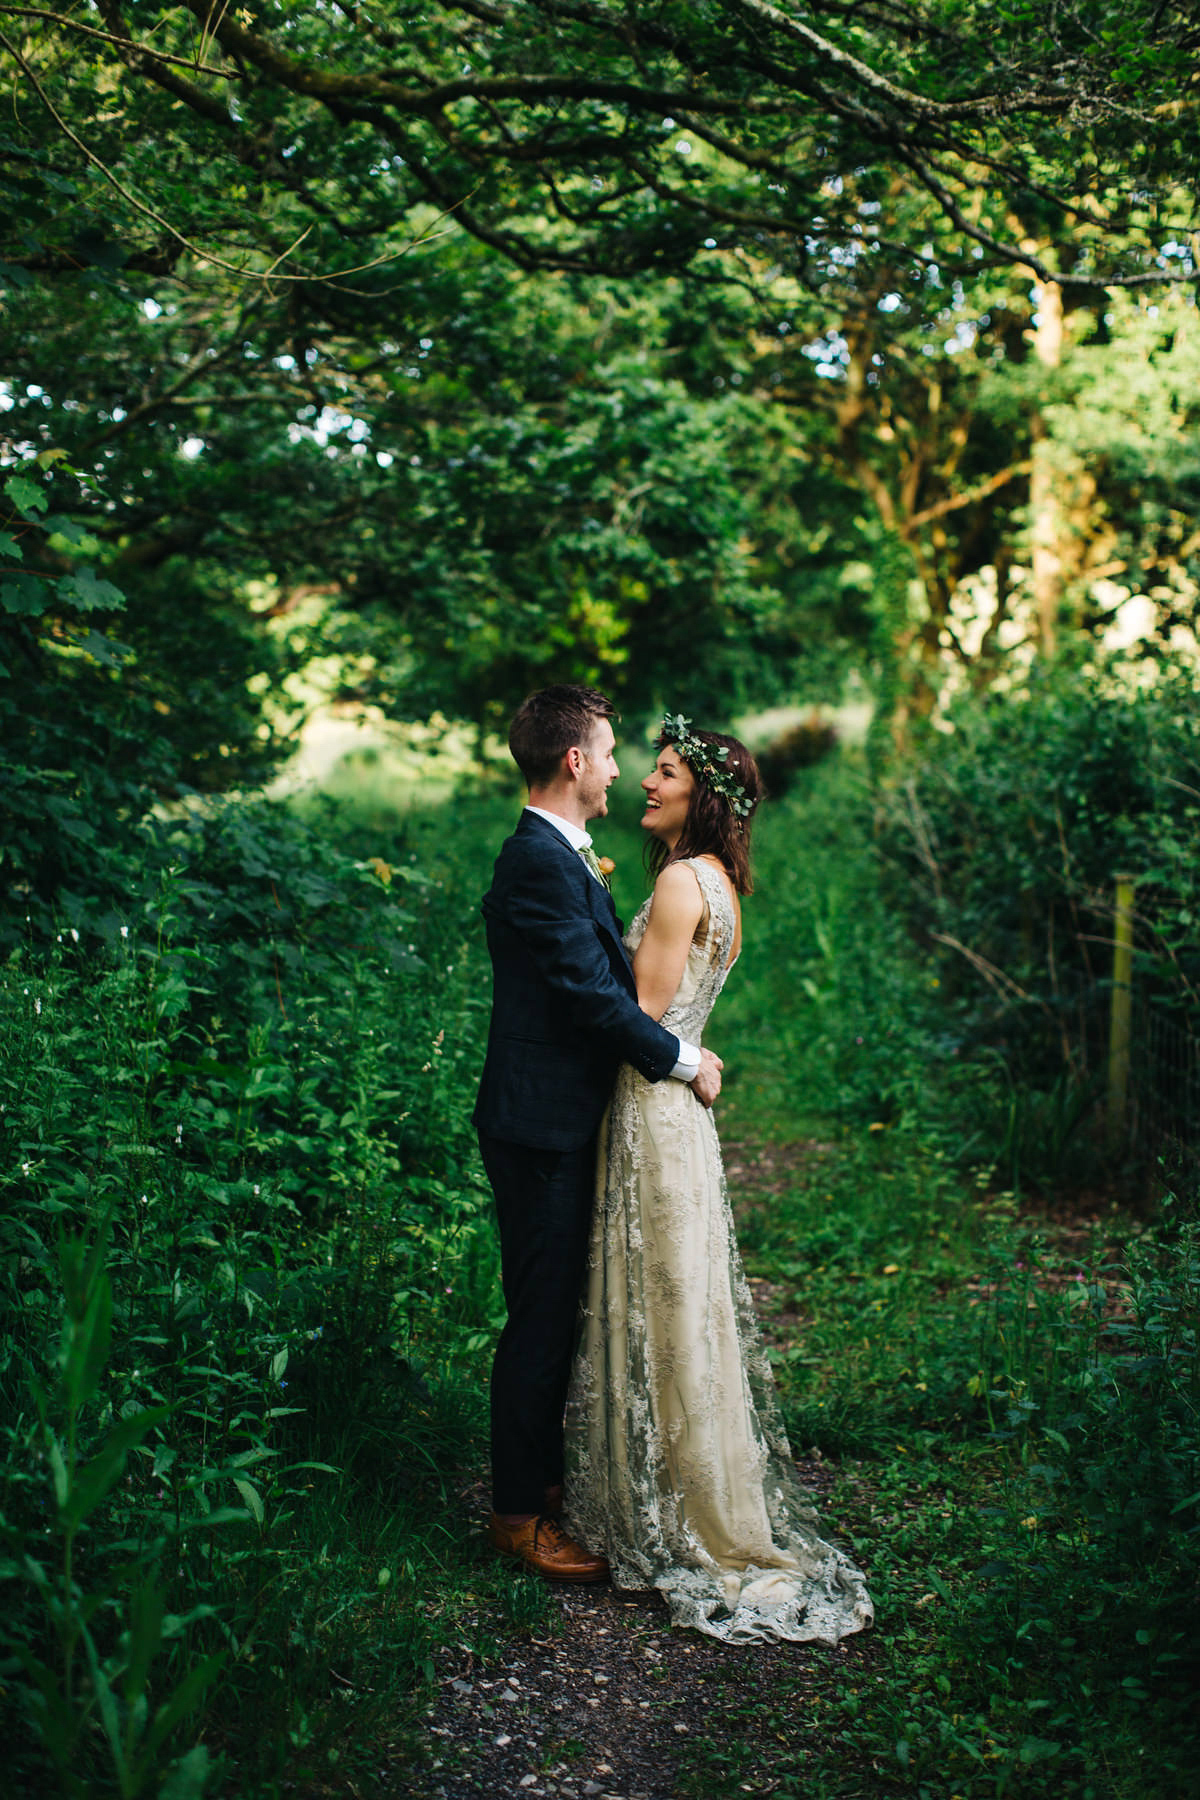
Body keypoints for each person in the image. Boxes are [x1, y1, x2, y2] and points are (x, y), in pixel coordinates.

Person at [564, 714, 873, 1643]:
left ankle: (678, 1510)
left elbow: (641, 1015)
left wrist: (594, 976)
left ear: (702, 796)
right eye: (648, 769)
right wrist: (695, 1052)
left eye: (664, 773)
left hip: (652, 1113)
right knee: (680, 1301)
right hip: (680, 1119)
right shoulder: (721, 884)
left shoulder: (673, 884)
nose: (647, 785)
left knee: (661, 1303)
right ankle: (686, 1483)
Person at [473, 686, 725, 1583]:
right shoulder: (536, 861)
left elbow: (595, 983)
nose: (620, 768)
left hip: (560, 1118)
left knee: (556, 1312)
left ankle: (539, 1489)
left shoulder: (565, 856)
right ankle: (515, 1518)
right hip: (538, 1126)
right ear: (574, 761)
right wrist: (682, 1059)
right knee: (539, 1320)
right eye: (611, 752)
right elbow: (588, 995)